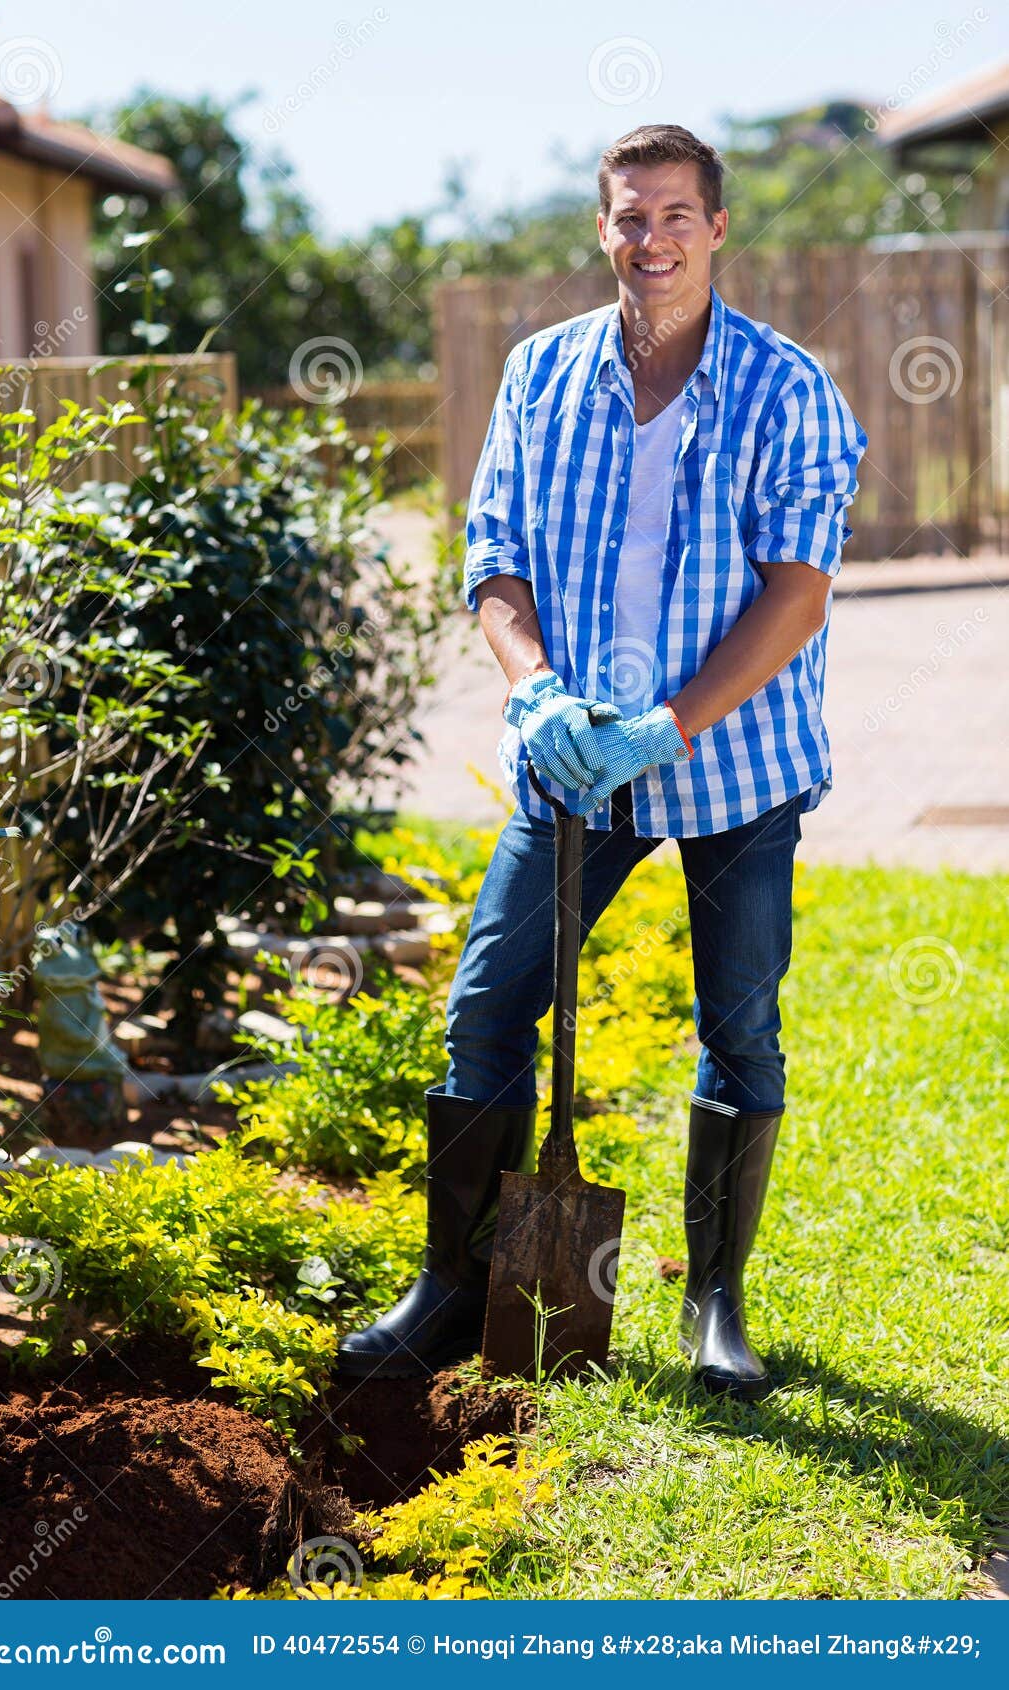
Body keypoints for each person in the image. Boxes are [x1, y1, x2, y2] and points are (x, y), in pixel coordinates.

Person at [337, 123, 867, 1399]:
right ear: (600, 228)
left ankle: (711, 1302)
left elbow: (795, 593)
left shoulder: (785, 387)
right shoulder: (540, 374)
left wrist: (669, 723)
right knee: (482, 1011)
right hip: (571, 762)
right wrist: (533, 695)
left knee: (740, 1030)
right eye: (629, 216)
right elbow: (492, 554)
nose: (652, 237)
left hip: (733, 765)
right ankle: (452, 1282)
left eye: (676, 213)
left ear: (716, 227)